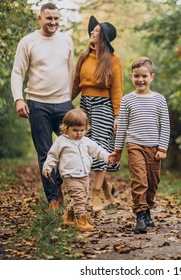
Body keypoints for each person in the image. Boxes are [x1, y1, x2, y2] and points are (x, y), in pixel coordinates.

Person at [11, 3, 74, 211]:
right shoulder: (28, 41)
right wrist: (18, 99)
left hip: (64, 103)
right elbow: (18, 72)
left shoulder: (66, 40)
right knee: (45, 153)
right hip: (38, 105)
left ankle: (68, 189)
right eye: (49, 19)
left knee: (72, 149)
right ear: (40, 18)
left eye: (56, 19)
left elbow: (70, 71)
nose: (53, 22)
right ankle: (53, 199)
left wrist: (69, 98)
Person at [111, 57, 170, 234]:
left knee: (152, 182)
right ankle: (140, 216)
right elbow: (121, 127)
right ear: (131, 76)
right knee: (139, 181)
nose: (140, 80)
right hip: (134, 145)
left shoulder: (159, 100)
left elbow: (165, 125)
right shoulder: (127, 100)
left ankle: (147, 209)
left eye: (144, 76)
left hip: (154, 148)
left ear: (152, 76)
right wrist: (118, 150)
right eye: (136, 76)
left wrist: (162, 148)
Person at [72, 15, 123, 211]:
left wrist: (117, 116)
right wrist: (64, 102)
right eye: (92, 30)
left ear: (104, 38)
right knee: (85, 148)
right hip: (85, 104)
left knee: (99, 149)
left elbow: (117, 89)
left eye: (96, 31)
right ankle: (106, 188)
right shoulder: (84, 57)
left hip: (104, 106)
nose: (92, 32)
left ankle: (95, 197)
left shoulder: (114, 60)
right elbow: (76, 85)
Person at [42, 109, 115, 231]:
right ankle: (81, 220)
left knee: (82, 196)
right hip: (70, 175)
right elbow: (52, 155)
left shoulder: (86, 141)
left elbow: (98, 150)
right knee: (79, 197)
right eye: (75, 130)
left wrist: (108, 157)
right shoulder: (61, 141)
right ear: (65, 128)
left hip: (84, 175)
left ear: (86, 128)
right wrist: (47, 167)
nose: (79, 133)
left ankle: (68, 215)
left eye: (82, 130)